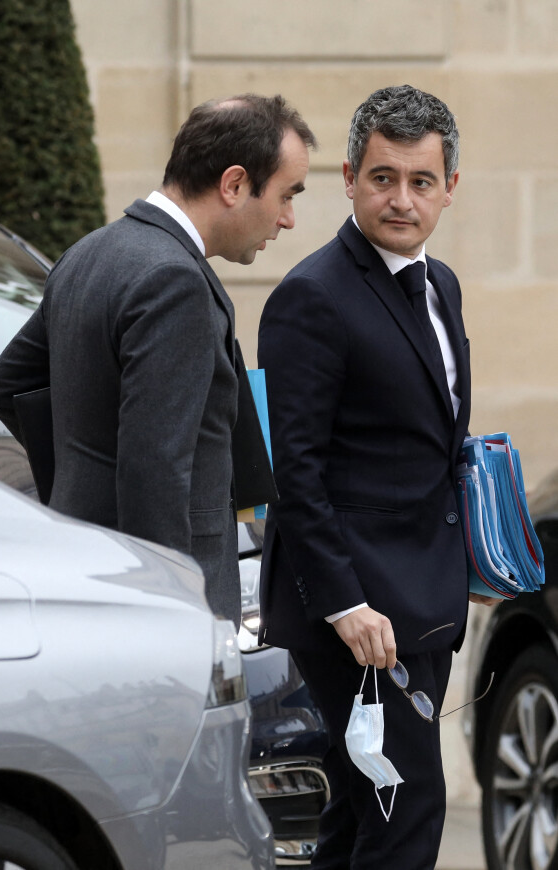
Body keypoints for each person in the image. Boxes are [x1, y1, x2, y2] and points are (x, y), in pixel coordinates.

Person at [258, 85, 494, 869]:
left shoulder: (444, 286)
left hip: (423, 600)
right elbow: (294, 470)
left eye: (421, 181)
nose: (401, 199)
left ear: (449, 188)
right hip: (355, 614)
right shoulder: (310, 298)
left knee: (361, 819)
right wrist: (346, 603)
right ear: (351, 177)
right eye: (384, 177)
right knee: (408, 806)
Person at [0, 94, 316, 629]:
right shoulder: (174, 281)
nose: (289, 219)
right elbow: (154, 468)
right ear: (233, 185)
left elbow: (6, 386)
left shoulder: (88, 252)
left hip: (90, 574)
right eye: (285, 195)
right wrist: (167, 613)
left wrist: (80, 483)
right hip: (166, 610)